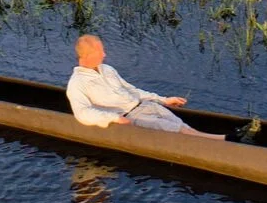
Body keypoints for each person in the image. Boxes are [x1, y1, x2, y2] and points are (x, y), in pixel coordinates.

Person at [65, 35, 223, 138]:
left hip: (146, 106)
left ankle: (216, 139)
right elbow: (82, 113)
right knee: (180, 131)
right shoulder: (77, 83)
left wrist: (164, 100)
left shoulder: (107, 69)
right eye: (100, 51)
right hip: (131, 117)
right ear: (87, 56)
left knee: (182, 126)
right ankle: (224, 140)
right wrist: (113, 118)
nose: (105, 54)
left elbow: (132, 90)